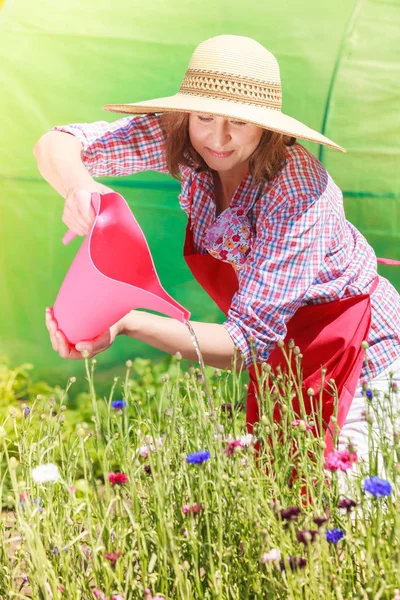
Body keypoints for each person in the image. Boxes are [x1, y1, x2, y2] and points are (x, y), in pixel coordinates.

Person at [35, 34, 400, 465]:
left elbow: (244, 343)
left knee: (346, 501)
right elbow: (57, 142)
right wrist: (79, 187)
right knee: (288, 494)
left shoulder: (300, 192)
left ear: (266, 125)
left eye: (239, 122)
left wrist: (126, 321)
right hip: (286, 347)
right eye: (204, 116)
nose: (219, 138)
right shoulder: (187, 140)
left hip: (362, 355)